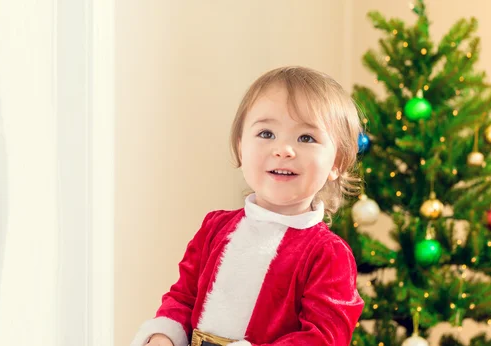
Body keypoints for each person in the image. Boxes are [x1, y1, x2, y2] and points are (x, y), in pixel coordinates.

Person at [130, 66, 365, 346]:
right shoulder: (215, 227)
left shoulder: (327, 255)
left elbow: (323, 338)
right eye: (266, 134)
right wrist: (163, 336)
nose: (283, 150)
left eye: (306, 138)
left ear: (337, 163)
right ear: (241, 147)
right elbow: (183, 298)